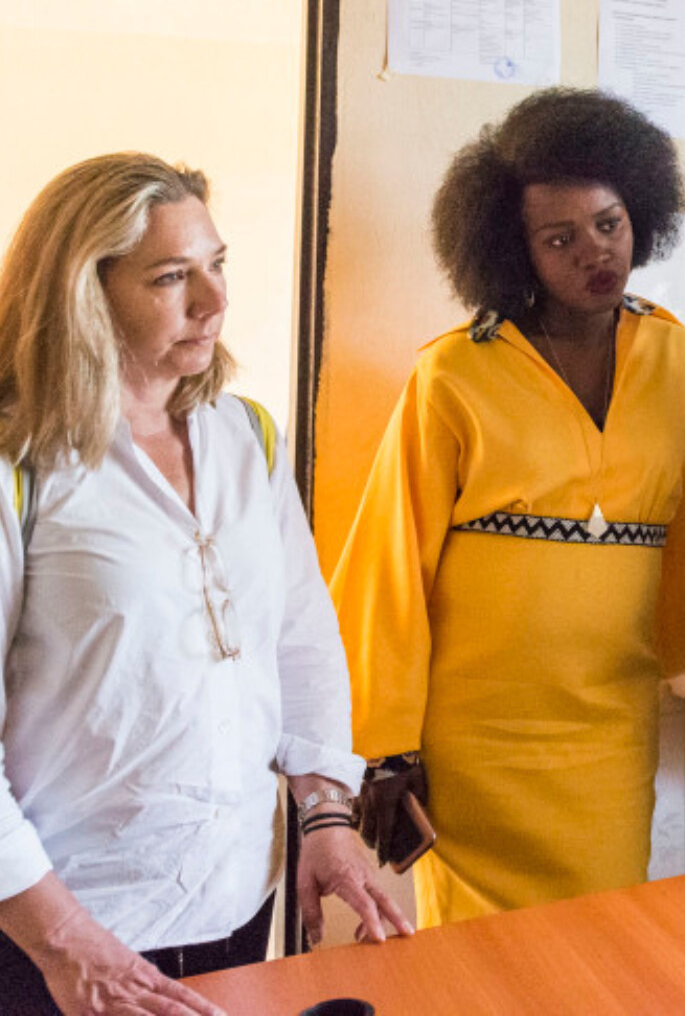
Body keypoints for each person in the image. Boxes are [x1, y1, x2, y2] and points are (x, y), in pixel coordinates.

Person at [330, 88, 685, 927]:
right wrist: (386, 747)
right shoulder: (454, 373)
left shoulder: (683, 363)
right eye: (559, 239)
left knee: (602, 943)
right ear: (514, 251)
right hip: (475, 743)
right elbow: (391, 564)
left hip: (608, 728)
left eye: (609, 224)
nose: (594, 252)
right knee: (482, 968)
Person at [0, 154, 411, 1016]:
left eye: (216, 265)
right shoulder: (22, 462)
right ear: (85, 288)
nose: (213, 302)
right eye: (170, 277)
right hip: (58, 928)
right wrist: (66, 944)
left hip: (231, 898)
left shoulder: (245, 437)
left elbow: (297, 641)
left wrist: (325, 813)